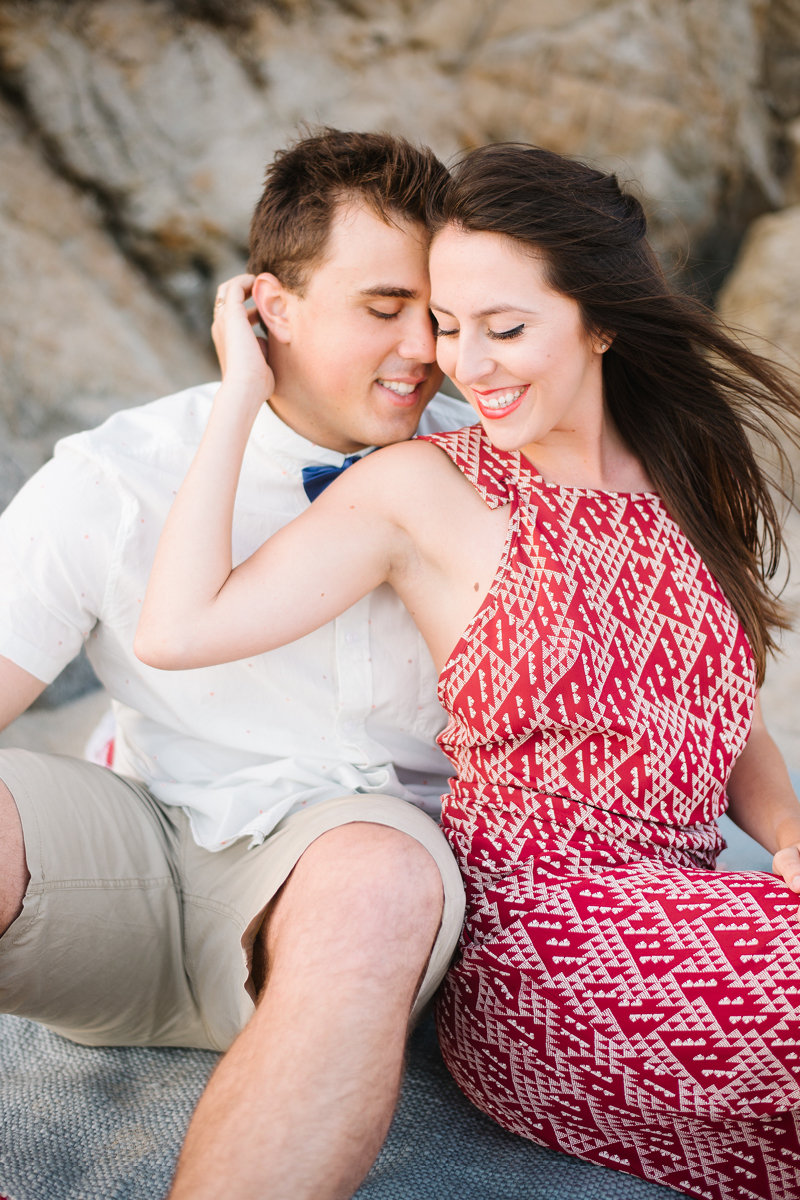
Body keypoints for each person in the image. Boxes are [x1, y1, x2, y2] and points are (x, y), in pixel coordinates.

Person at [137, 142, 800, 1200]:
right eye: (449, 327)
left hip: (691, 912)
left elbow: (717, 715)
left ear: (600, 317)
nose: (465, 363)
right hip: (543, 955)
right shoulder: (425, 490)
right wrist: (237, 395)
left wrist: (786, 834)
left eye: (503, 328)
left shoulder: (690, 473)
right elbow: (176, 629)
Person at [0, 129, 475, 1200]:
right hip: (142, 860)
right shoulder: (124, 475)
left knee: (374, 877)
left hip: (356, 896)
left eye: (434, 312)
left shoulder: (490, 475)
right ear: (270, 307)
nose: (423, 348)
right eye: (382, 306)